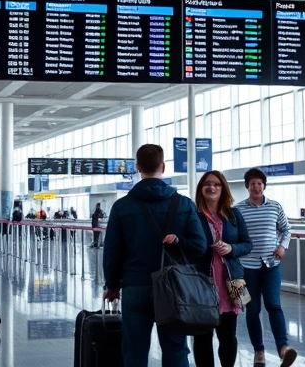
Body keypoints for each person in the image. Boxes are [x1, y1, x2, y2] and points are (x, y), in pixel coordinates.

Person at [103, 144, 207, 367]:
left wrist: (112, 286)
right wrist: (178, 241)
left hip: (135, 286)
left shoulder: (122, 207)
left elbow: (112, 252)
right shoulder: (184, 204)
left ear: (138, 167)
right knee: (176, 350)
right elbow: (199, 247)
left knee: (134, 351)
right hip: (174, 288)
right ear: (163, 166)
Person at [236, 168, 296, 367]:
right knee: (252, 309)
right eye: (252, 183)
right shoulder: (238, 210)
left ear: (264, 186)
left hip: (271, 265)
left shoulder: (275, 206)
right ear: (247, 186)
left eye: (259, 183)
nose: (256, 187)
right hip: (247, 267)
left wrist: (282, 246)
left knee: (274, 305)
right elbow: (234, 236)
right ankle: (258, 350)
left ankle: (283, 348)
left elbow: (286, 229)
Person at [192, 170, 252, 367]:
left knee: (228, 337)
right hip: (202, 281)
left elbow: (247, 244)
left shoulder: (234, 214)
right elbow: (187, 245)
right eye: (207, 184)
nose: (212, 187)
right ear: (201, 188)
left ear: (223, 188)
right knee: (202, 337)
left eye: (217, 184)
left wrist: (231, 248)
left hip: (232, 280)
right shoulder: (194, 215)